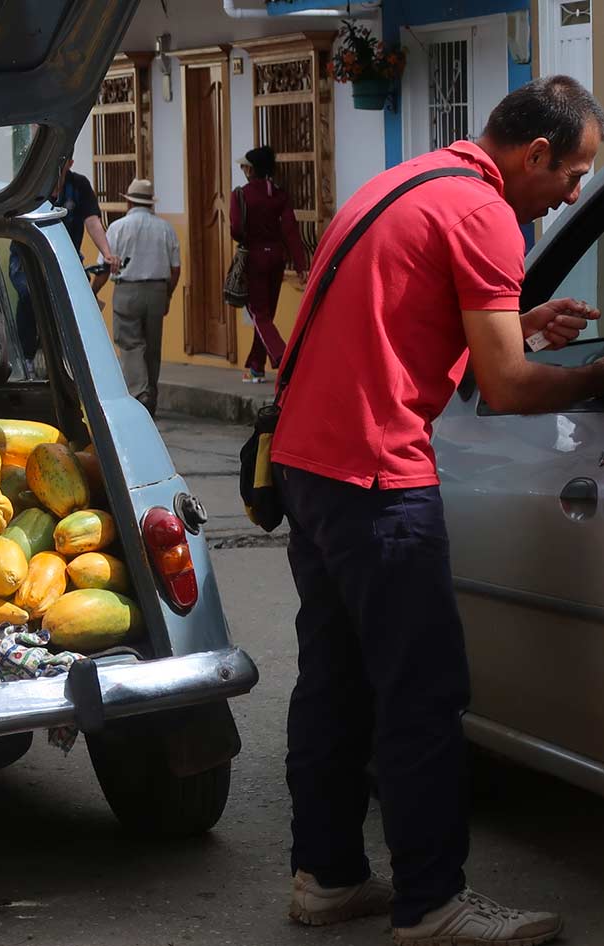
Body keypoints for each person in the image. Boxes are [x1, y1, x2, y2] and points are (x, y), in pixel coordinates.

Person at [272, 75, 604, 946]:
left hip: (310, 468)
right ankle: (434, 904)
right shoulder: (486, 214)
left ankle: (328, 876)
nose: (573, 194)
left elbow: (401, 315)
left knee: (336, 681)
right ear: (535, 154)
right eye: (573, 176)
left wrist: (521, 322)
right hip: (379, 476)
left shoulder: (407, 183)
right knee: (422, 693)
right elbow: (506, 387)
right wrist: (598, 375)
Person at [9, 157, 118, 374]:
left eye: (63, 161)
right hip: (28, 256)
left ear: (70, 162)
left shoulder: (79, 186)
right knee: (29, 295)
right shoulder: (34, 184)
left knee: (78, 301)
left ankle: (73, 361)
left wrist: (107, 252)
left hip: (65, 257)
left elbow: (92, 221)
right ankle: (26, 358)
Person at [89, 178, 180, 414]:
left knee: (129, 343)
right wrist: (167, 295)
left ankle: (140, 394)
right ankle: (151, 391)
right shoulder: (165, 228)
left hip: (127, 290)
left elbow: (105, 267)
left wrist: (93, 292)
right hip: (157, 290)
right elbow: (175, 268)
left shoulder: (118, 228)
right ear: (150, 204)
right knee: (152, 345)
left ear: (129, 203)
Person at [231, 146, 308, 382]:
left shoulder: (241, 195)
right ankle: (256, 366)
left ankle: (283, 358)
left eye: (245, 166)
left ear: (252, 170)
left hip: (254, 258)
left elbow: (236, 229)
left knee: (258, 313)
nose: (243, 170)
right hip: (276, 258)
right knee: (265, 317)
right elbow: (290, 231)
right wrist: (300, 264)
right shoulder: (279, 194)